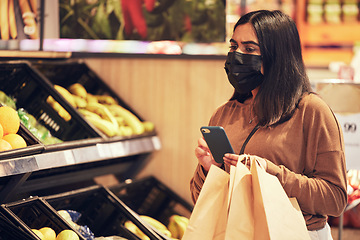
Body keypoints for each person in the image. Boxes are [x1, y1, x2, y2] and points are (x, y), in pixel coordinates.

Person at [190, 9, 347, 240]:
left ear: (277, 55)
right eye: (234, 47)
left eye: (250, 49)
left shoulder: (312, 111)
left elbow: (335, 199)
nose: (237, 55)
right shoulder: (224, 114)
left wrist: (272, 174)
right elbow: (199, 199)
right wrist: (209, 170)